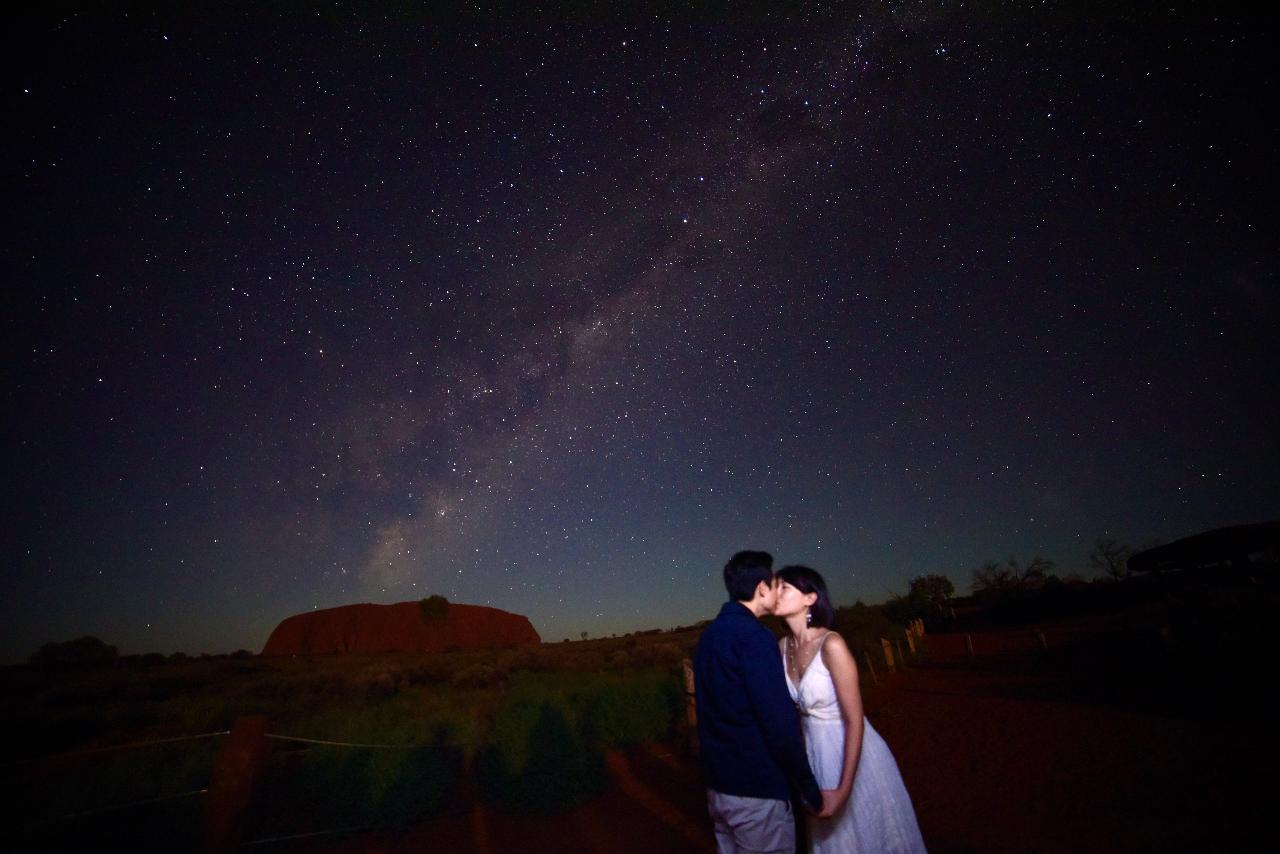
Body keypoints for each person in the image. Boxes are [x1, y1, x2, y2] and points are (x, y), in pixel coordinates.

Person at [773, 565, 926, 853]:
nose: (775, 593)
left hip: (850, 753)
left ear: (809, 599)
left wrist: (843, 791)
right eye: (775, 586)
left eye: (785, 587)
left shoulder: (832, 645)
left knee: (868, 834)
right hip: (814, 754)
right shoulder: (782, 647)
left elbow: (855, 720)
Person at [694, 550, 827, 853]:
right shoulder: (754, 637)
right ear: (761, 589)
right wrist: (809, 788)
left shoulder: (709, 637)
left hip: (719, 789)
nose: (778, 591)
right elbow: (777, 723)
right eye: (774, 583)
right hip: (756, 792)